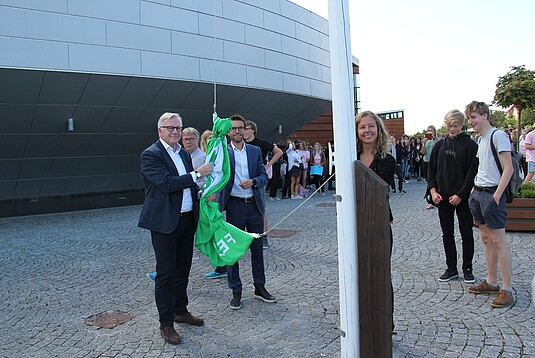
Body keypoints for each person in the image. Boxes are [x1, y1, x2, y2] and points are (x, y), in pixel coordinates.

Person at [138, 112, 213, 344]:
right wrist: (196, 174)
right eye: (169, 128)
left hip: (186, 219)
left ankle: (180, 310)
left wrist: (202, 192)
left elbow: (188, 185)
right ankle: (166, 323)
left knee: (183, 269)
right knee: (165, 273)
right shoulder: (151, 154)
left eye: (177, 128)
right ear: (159, 130)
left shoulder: (182, 152)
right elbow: (166, 184)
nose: (174, 132)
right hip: (164, 223)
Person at [218, 114, 275, 310]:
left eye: (240, 128)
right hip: (234, 206)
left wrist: (253, 182)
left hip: (254, 206)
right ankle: (236, 290)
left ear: (246, 130)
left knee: (257, 250)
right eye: (233, 128)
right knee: (233, 252)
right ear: (229, 131)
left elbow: (263, 175)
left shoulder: (254, 151)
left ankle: (260, 287)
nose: (237, 131)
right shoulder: (223, 153)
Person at [465, 101, 515, 309]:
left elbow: (509, 168)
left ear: (485, 115)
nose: (471, 121)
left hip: (491, 194)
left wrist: (496, 195)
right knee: (486, 239)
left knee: (498, 240)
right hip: (478, 192)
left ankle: (507, 289)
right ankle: (492, 281)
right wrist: (474, 191)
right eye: (469, 118)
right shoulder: (481, 138)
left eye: (474, 117)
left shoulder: (498, 136)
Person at [355, 110, 396, 333]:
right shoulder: (350, 157)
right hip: (355, 223)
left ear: (378, 130)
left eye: (371, 126)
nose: (367, 130)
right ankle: (362, 318)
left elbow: (380, 187)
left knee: (381, 273)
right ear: (357, 131)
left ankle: (385, 322)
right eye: (363, 127)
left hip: (380, 223)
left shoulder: (386, 160)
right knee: (357, 272)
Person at [427, 109, 479, 283]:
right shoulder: (439, 145)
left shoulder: (471, 146)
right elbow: (431, 171)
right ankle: (451, 268)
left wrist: (460, 195)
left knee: (466, 233)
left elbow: (471, 174)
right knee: (446, 234)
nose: (452, 128)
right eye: (449, 125)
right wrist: (433, 191)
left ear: (461, 124)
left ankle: (468, 269)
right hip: (442, 197)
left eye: (455, 125)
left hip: (462, 198)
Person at [244, 120, 283, 249]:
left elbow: (279, 152)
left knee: (261, 208)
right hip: (244, 179)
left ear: (253, 130)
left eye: (247, 128)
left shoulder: (261, 143)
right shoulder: (241, 144)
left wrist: (269, 164)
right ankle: (247, 236)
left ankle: (264, 236)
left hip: (258, 179)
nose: (244, 131)